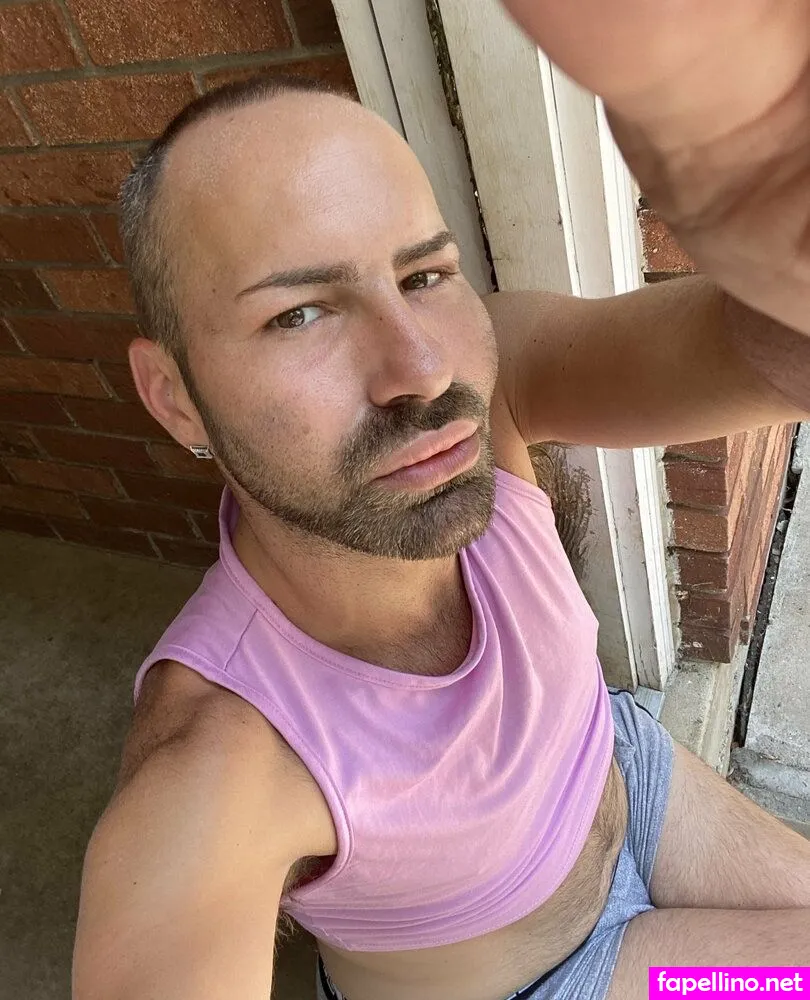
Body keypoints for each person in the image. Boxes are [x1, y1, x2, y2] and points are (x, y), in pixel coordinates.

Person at [72, 66, 810, 1000]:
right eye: (299, 314)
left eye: (423, 275)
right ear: (174, 394)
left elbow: (758, 350)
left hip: (626, 770)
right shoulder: (218, 768)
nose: (423, 370)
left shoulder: (484, 390)